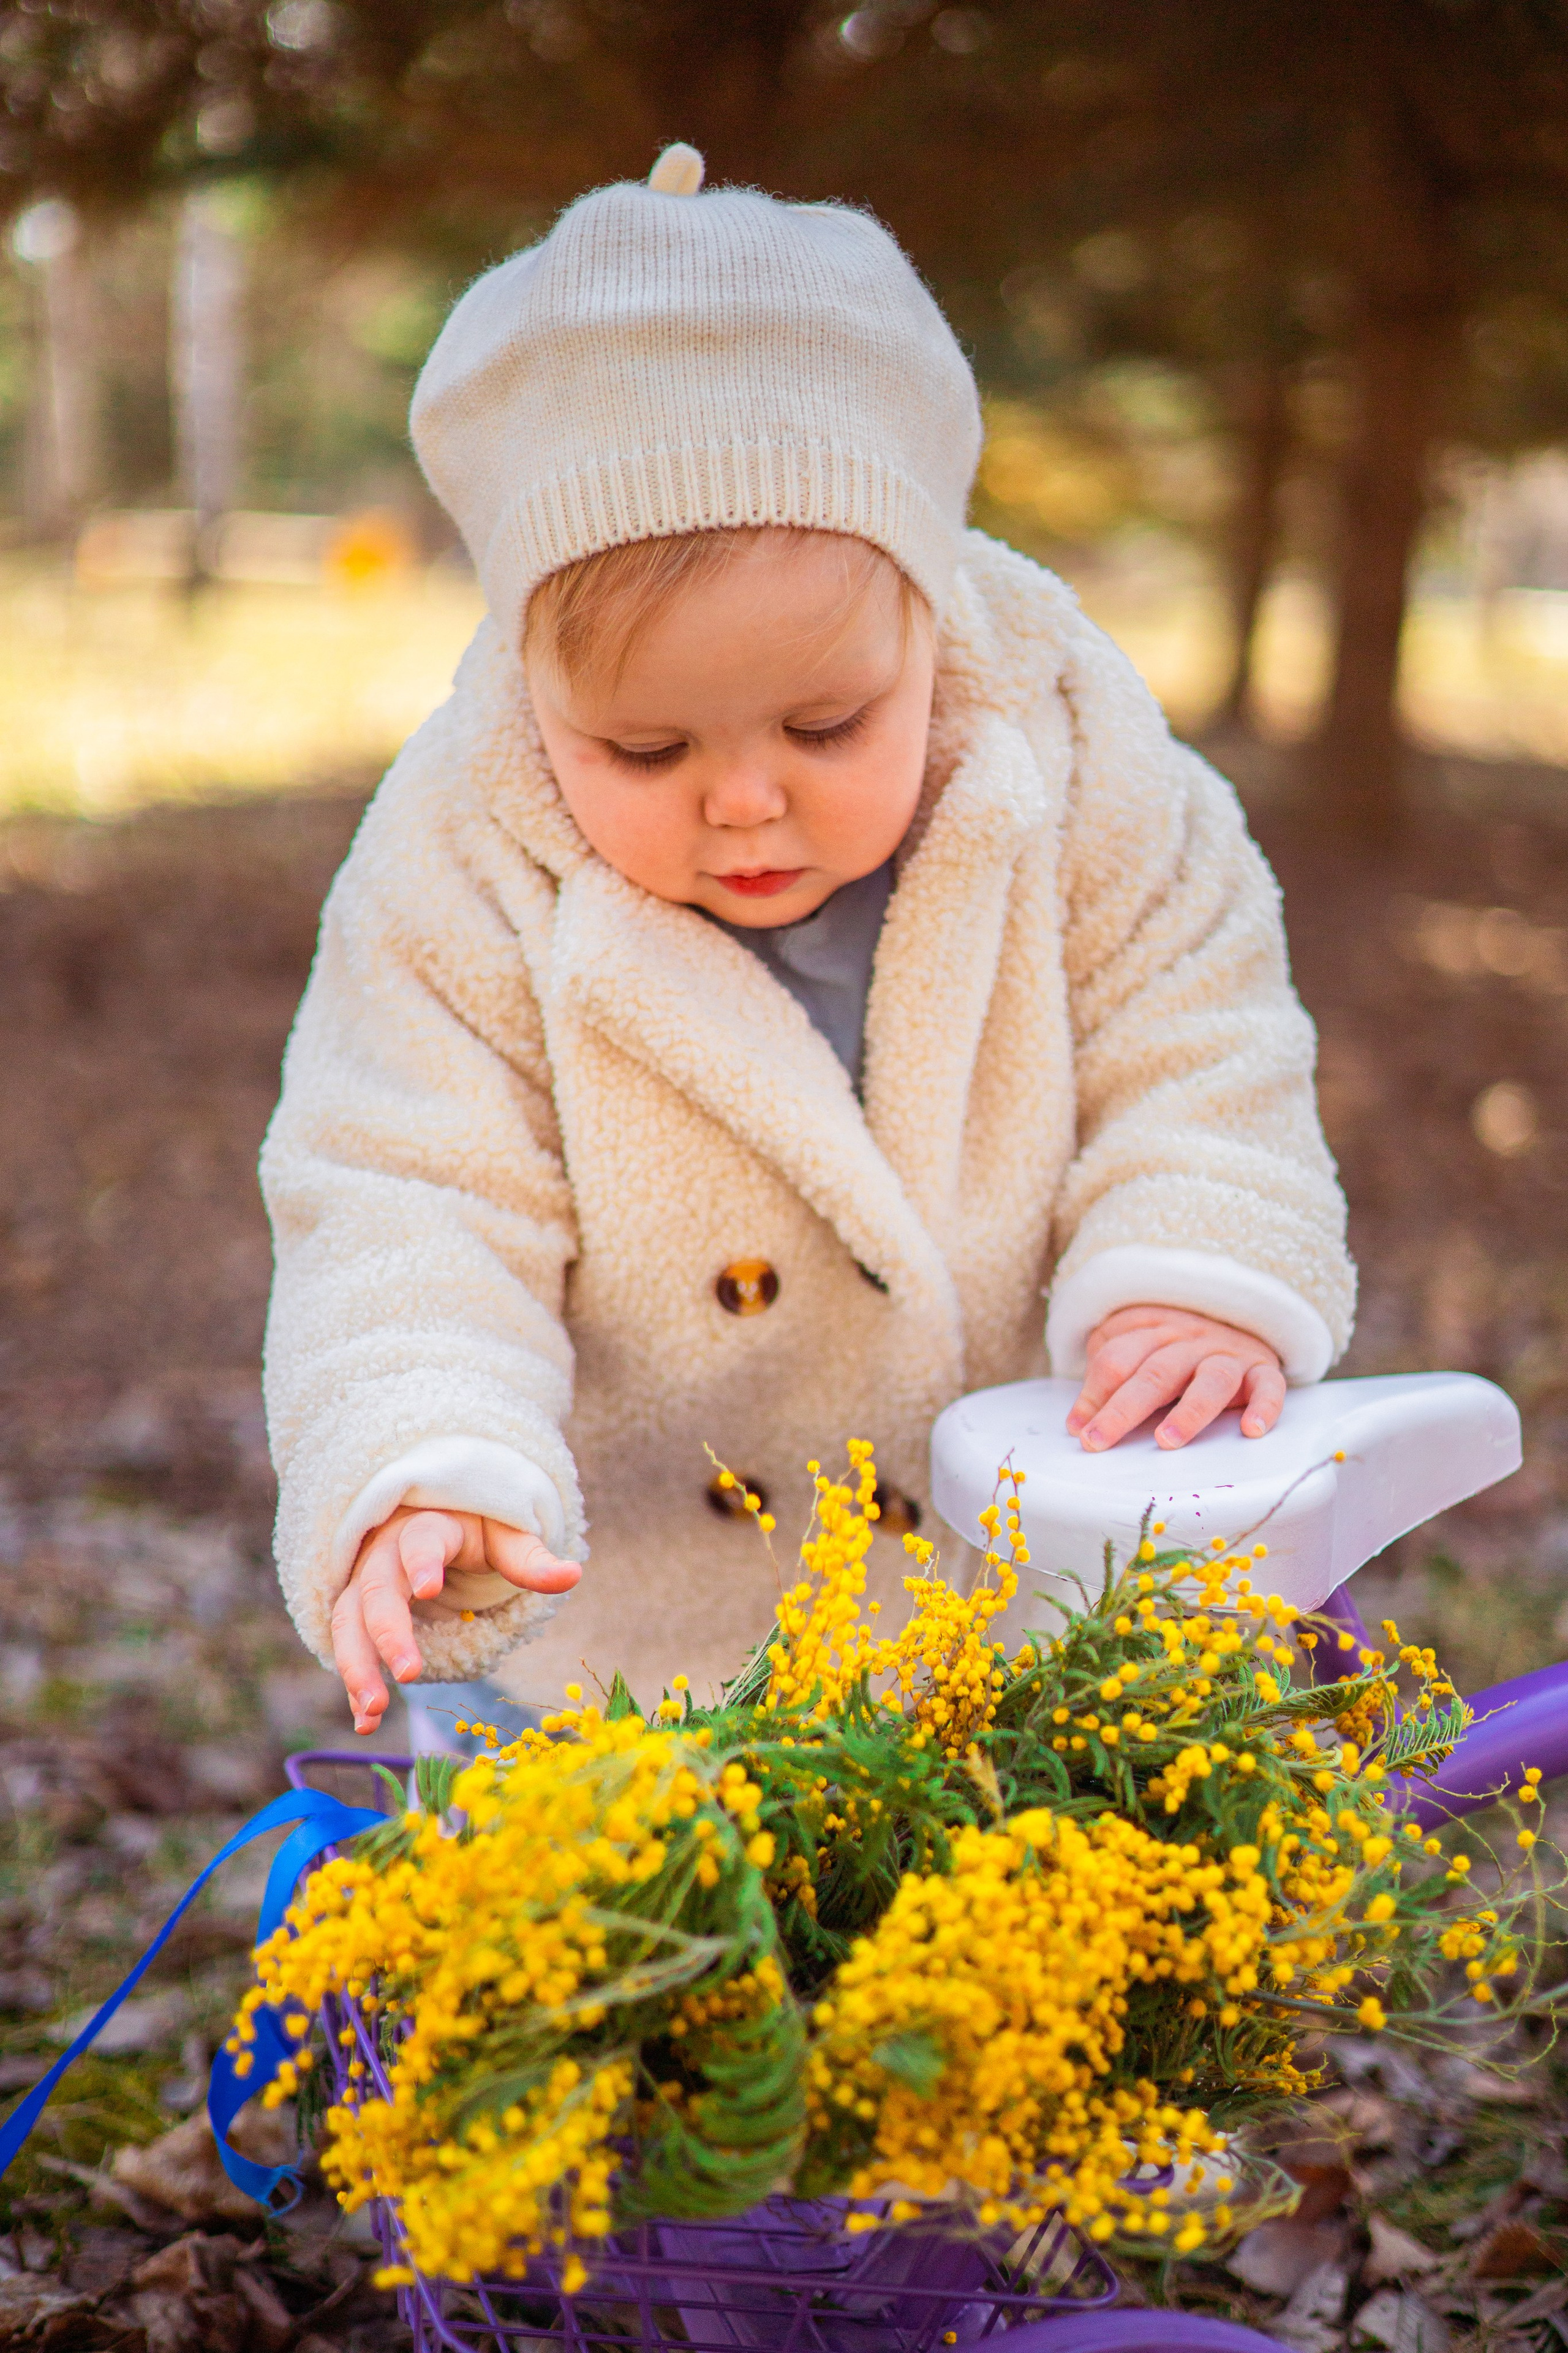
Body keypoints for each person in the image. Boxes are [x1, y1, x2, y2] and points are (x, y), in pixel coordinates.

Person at [260, 145, 1355, 1747]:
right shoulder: (459, 859)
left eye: (831, 721)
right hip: (636, 1630)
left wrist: (1198, 1270)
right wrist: (430, 1455)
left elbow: (1199, 1027)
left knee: (1029, 1976)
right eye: (644, 753)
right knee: (643, 1982)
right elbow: (407, 1196)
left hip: (1026, 1591)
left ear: (931, 614)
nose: (749, 801)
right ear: (527, 690)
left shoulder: (1072, 755)